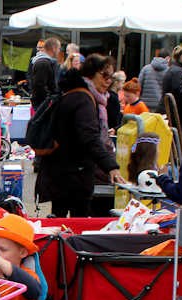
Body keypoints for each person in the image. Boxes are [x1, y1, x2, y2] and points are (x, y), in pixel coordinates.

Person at [35, 54, 125, 217]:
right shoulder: (83, 99)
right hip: (73, 174)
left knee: (60, 219)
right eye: (104, 75)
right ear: (91, 74)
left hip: (62, 172)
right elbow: (90, 137)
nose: (108, 81)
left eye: (111, 77)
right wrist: (111, 166)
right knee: (77, 222)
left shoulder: (75, 93)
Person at [29, 37, 60, 111]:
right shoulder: (43, 63)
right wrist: (48, 99)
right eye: (58, 48)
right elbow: (39, 86)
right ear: (54, 48)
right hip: (42, 105)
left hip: (43, 104)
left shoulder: (45, 62)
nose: (59, 51)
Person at [163, 47, 182, 125]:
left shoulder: (173, 68)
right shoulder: (178, 71)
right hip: (176, 110)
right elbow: (178, 90)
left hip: (171, 107)